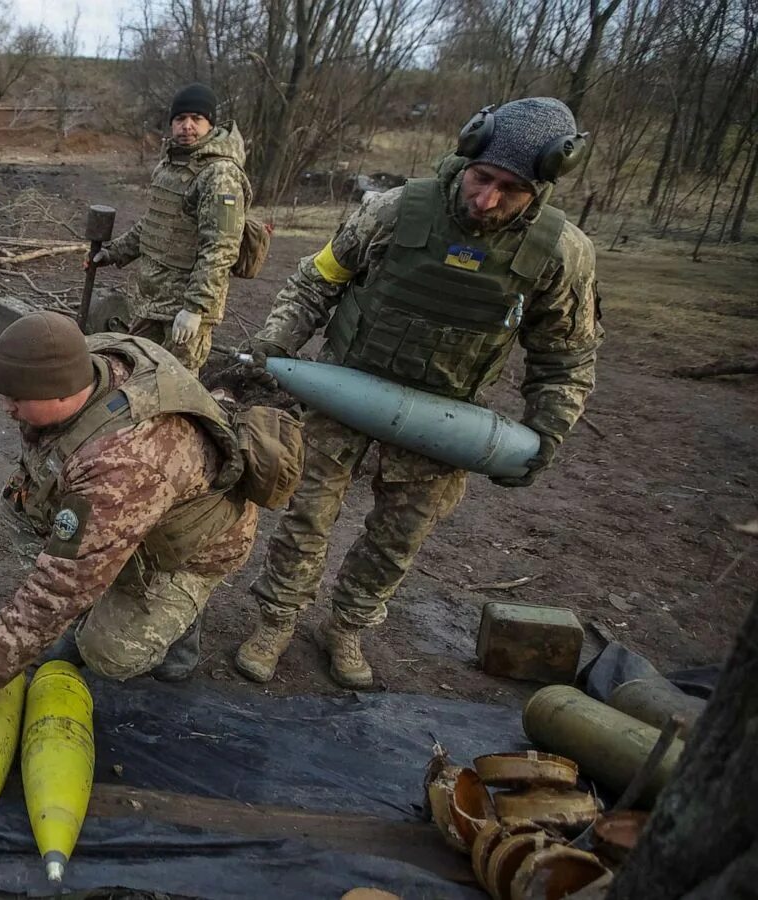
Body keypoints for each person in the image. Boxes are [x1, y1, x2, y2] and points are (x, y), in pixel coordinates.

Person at [234, 97, 603, 689]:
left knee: (397, 537)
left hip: (445, 420)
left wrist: (548, 432)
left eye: (510, 189)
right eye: (482, 179)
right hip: (345, 391)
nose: (486, 200)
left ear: (542, 186)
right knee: (306, 515)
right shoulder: (394, 210)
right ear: (467, 154)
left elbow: (566, 356)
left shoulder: (561, 254)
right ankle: (277, 619)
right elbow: (316, 281)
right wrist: (275, 343)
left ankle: (347, 626)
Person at [0, 312, 301, 715]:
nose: (7, 409)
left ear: (59, 395)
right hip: (140, 508)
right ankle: (111, 578)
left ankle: (182, 623)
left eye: (17, 399)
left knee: (107, 653)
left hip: (194, 546)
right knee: (20, 509)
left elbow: (62, 585)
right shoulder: (86, 359)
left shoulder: (123, 463)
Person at [88, 83, 252, 373]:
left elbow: (221, 249)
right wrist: (113, 253)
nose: (187, 126)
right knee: (136, 374)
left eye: (196, 119)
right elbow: (155, 223)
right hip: (152, 300)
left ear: (210, 124)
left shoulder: (220, 174)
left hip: (184, 308)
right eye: (180, 119)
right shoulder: (171, 164)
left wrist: (195, 308)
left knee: (175, 388)